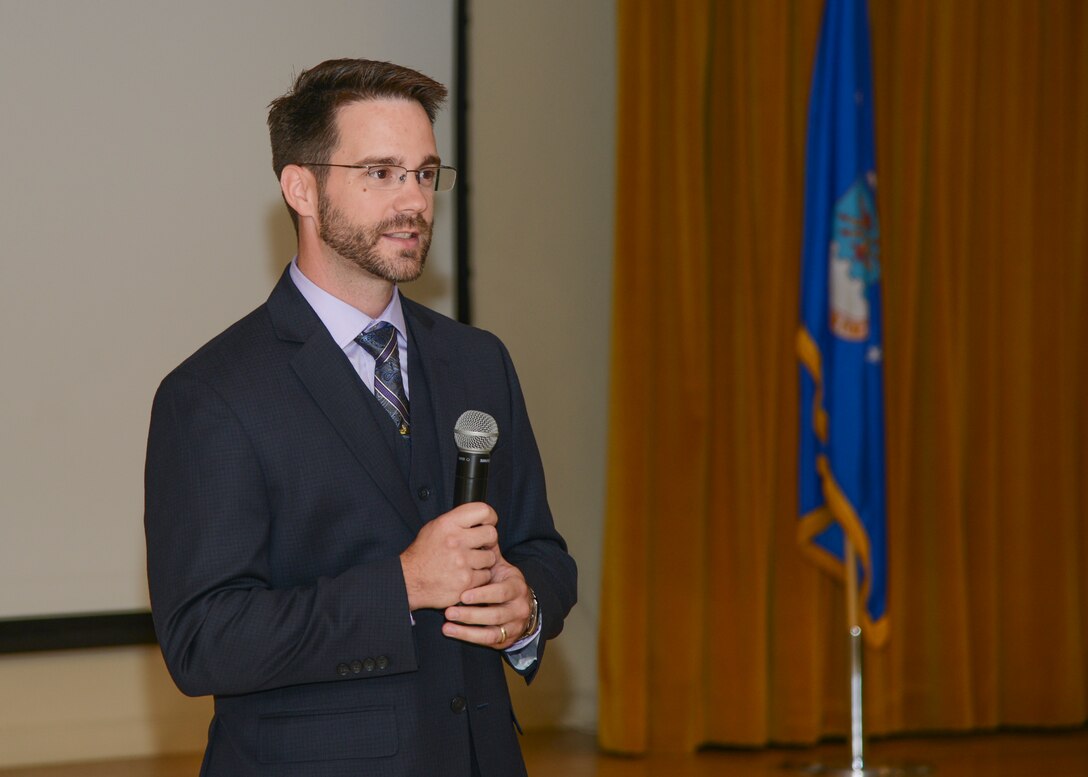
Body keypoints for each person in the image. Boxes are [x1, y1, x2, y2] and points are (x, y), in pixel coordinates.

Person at [144, 58, 577, 777]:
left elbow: (542, 551)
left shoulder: (479, 361)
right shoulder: (212, 394)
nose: (414, 201)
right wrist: (403, 584)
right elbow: (203, 639)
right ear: (301, 188)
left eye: (425, 173)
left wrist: (525, 605)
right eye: (381, 172)